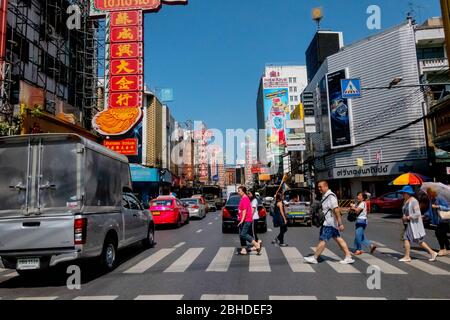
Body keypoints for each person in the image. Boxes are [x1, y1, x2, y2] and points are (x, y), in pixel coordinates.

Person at [304, 181, 355, 265]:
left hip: (329, 223)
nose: (319, 188)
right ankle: (348, 256)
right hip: (329, 223)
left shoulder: (331, 196)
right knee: (338, 239)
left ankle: (315, 257)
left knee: (323, 239)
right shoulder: (326, 196)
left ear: (326, 186)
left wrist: (340, 223)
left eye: (320, 187)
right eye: (318, 187)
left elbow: (336, 210)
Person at [399, 186, 438, 263]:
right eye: (402, 193)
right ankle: (432, 253)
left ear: (408, 193)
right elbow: (405, 211)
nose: (402, 194)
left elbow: (417, 214)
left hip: (413, 224)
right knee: (419, 241)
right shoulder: (406, 200)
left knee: (406, 238)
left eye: (403, 193)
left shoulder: (414, 201)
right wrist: (404, 217)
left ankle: (407, 256)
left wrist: (408, 217)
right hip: (409, 223)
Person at [237, 186, 262, 255]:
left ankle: (256, 244)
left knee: (243, 234)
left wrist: (242, 220)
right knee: (242, 234)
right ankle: (244, 249)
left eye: (239, 191)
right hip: (244, 219)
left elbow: (244, 211)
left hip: (246, 220)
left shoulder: (245, 198)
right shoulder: (243, 198)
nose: (238, 192)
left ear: (243, 191)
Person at [425, 187, 450, 256]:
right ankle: (447, 249)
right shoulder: (432, 199)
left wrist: (438, 206)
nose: (427, 194)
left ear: (433, 192)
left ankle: (443, 249)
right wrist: (425, 215)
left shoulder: (440, 198)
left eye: (428, 193)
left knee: (438, 233)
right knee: (442, 234)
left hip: (444, 219)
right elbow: (430, 210)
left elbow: (448, 207)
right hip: (438, 220)